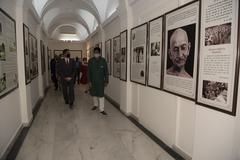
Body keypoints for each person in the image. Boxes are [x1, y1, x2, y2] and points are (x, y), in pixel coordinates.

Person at [88, 47, 109, 115]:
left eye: (97, 52)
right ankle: (95, 105)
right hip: (93, 81)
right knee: (94, 94)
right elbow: (88, 72)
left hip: (101, 82)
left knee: (101, 95)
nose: (96, 53)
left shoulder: (103, 60)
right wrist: (89, 81)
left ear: (99, 53)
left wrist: (106, 81)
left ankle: (102, 109)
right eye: (95, 52)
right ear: (93, 53)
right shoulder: (91, 61)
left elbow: (106, 72)